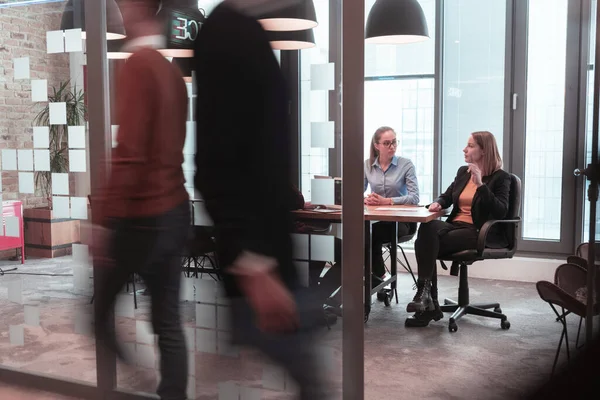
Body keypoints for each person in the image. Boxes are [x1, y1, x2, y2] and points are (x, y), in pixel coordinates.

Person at [193, 1, 331, 398]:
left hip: (268, 256)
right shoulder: (227, 33)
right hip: (260, 262)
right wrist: (253, 262)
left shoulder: (245, 31)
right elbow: (217, 160)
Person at [93, 1, 191, 399]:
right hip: (175, 211)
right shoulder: (171, 72)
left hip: (142, 217)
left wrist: (103, 220)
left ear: (140, 9)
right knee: (167, 321)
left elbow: (130, 153)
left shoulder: (137, 66)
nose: (120, 11)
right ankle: (171, 393)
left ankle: (138, 382)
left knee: (98, 313)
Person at [405, 131, 510, 328]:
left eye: (470, 145)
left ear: (484, 151)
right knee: (427, 228)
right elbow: (447, 195)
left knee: (427, 243)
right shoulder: (463, 172)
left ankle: (428, 305)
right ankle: (427, 299)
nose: (465, 149)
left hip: (479, 232)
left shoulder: (501, 178)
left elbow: (501, 211)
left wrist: (480, 185)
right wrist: (437, 203)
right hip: (455, 226)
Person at [364, 126, 420, 288]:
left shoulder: (405, 165)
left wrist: (386, 201)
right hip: (375, 220)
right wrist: (366, 200)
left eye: (394, 142)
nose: (392, 147)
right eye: (387, 143)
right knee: (362, 233)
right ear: (377, 146)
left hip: (401, 223)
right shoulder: (367, 165)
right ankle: (373, 277)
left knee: (370, 235)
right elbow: (357, 191)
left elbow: (414, 198)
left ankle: (378, 276)